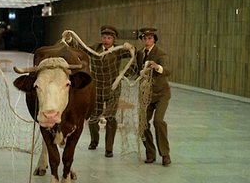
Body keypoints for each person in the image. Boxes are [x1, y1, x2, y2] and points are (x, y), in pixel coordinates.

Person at [63, 26, 134, 157]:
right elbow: (80, 48)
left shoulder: (118, 50)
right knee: (93, 117)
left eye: (109, 38)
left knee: (110, 117)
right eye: (104, 37)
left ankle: (109, 148)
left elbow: (133, 55)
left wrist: (130, 47)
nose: (106, 40)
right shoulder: (95, 48)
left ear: (114, 39)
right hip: (96, 88)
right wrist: (70, 39)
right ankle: (94, 141)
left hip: (112, 88)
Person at [136, 27, 171, 166]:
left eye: (150, 38)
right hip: (147, 95)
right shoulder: (140, 54)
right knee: (142, 124)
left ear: (154, 39)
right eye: (144, 38)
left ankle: (165, 154)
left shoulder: (160, 53)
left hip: (161, 94)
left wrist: (157, 67)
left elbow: (167, 71)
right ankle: (150, 153)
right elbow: (137, 70)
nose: (147, 40)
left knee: (158, 121)